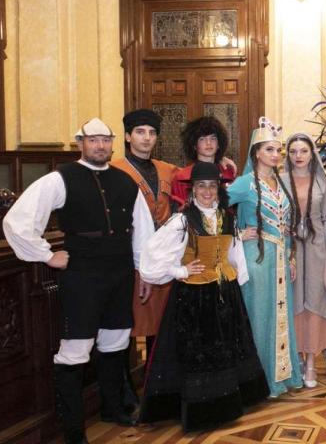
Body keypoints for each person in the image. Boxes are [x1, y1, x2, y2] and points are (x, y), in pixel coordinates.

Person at [3, 118, 155, 444]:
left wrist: (143, 271)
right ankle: (73, 430)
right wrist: (46, 254)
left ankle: (112, 409)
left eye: (105, 140)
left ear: (114, 143)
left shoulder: (127, 182)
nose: (100, 146)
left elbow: (143, 232)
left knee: (115, 343)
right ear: (80, 143)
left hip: (120, 273)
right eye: (93, 140)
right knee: (76, 347)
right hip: (82, 276)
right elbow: (18, 220)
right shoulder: (60, 179)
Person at [137, 162, 269, 431]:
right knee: (201, 352)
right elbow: (151, 254)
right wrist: (180, 270)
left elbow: (233, 252)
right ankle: (204, 409)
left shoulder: (227, 217)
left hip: (225, 293)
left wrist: (237, 278)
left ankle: (231, 399)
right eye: (201, 186)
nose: (207, 192)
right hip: (195, 297)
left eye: (212, 186)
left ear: (219, 190)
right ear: (192, 190)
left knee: (228, 348)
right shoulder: (183, 220)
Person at [227, 117, 304, 397]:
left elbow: (288, 224)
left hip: (281, 257)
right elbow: (210, 205)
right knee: (258, 316)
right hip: (257, 257)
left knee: (280, 315)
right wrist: (236, 233)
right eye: (270, 149)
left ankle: (282, 375)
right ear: (257, 152)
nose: (276, 155)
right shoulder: (244, 183)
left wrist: (292, 256)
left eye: (278, 150)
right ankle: (258, 381)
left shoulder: (280, 183)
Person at [111, 108, 177, 408]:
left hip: (163, 258)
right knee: (126, 326)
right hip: (128, 259)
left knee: (161, 326)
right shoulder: (113, 169)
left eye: (151, 133)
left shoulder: (168, 169)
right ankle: (125, 393)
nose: (146, 138)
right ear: (127, 136)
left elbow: (195, 184)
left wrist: (223, 166)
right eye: (140, 132)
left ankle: (157, 389)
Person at [281, 133, 326, 388]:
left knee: (315, 301)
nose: (298, 156)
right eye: (293, 151)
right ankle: (293, 362)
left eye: (303, 151)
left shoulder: (322, 181)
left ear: (312, 154)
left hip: (318, 248)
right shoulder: (280, 180)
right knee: (293, 301)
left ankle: (310, 364)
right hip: (290, 248)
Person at [169, 116, 238, 209]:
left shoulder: (228, 172)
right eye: (202, 139)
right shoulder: (182, 177)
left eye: (213, 138)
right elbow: (178, 209)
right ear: (194, 145)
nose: (208, 143)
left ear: (219, 144)